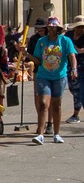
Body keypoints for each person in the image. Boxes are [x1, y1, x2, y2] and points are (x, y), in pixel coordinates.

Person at [26, 17, 77, 145]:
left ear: (58, 29)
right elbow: (38, 60)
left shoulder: (65, 41)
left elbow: (72, 55)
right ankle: (40, 134)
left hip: (59, 76)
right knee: (43, 103)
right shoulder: (41, 42)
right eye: (49, 27)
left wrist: (74, 69)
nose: (50, 29)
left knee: (56, 104)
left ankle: (57, 133)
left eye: (53, 27)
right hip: (43, 75)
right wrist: (26, 54)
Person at [65, 15, 84, 123]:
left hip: (82, 66)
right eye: (78, 27)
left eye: (82, 27)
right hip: (70, 65)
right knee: (73, 89)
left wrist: (72, 48)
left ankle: (75, 114)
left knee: (80, 91)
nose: (80, 29)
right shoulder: (69, 35)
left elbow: (81, 50)